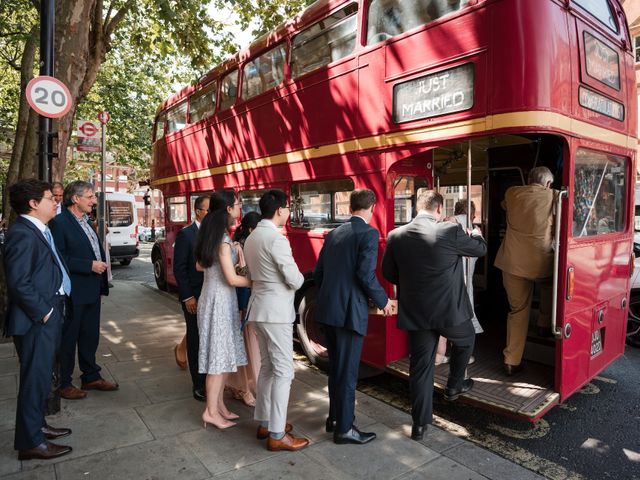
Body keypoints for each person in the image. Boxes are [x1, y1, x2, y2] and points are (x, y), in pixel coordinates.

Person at [382, 191, 486, 441]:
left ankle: (419, 425)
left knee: (421, 368)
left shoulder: (396, 235)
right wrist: (476, 233)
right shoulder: (450, 231)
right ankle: (454, 385)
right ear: (439, 209)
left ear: (418, 208)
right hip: (449, 311)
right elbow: (479, 251)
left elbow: (389, 273)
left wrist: (411, 284)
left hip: (416, 312)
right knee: (466, 339)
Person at [314, 189, 393, 445]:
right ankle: (345, 429)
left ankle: (335, 418)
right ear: (371, 207)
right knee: (348, 372)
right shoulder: (368, 233)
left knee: (336, 368)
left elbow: (320, 272)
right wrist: (383, 301)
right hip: (349, 313)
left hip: (328, 310)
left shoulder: (335, 232)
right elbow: (365, 274)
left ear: (350, 207)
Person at [4, 179, 72, 460]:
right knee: (34, 379)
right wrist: (46, 312)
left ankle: (37, 426)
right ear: (33, 204)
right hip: (36, 320)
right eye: (49, 198)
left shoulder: (39, 230)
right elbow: (19, 282)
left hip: (47, 313)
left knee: (42, 377)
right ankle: (30, 442)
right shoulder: (22, 232)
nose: (56, 201)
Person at [243, 190, 309, 452]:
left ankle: (266, 421)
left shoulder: (252, 237)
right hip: (276, 314)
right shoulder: (276, 239)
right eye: (288, 208)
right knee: (284, 371)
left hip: (258, 309)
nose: (289, 212)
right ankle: (278, 434)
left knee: (268, 368)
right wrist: (300, 279)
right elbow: (295, 279)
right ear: (280, 210)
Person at [50, 181, 117, 399]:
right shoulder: (59, 223)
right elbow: (58, 258)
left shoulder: (87, 221)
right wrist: (89, 266)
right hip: (74, 291)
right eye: (89, 197)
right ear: (75, 199)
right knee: (69, 338)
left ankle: (91, 376)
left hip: (91, 289)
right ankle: (64, 383)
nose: (94, 201)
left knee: (90, 335)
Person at [194, 191, 250, 429]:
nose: (240, 209)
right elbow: (232, 279)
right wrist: (257, 281)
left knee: (223, 356)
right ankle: (210, 411)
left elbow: (200, 266)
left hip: (211, 298)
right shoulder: (223, 242)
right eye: (238, 205)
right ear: (228, 209)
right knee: (218, 361)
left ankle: (219, 407)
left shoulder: (211, 235)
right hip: (220, 302)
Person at [494, 166, 557, 376]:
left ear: (529, 180)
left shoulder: (512, 193)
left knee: (518, 311)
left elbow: (504, 205)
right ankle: (544, 324)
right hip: (541, 262)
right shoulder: (554, 197)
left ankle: (512, 360)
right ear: (548, 184)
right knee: (549, 285)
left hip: (511, 263)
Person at [437, 199, 484, 365]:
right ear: (473, 213)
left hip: (446, 279)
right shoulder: (473, 230)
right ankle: (462, 357)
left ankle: (438, 354)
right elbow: (479, 251)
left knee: (443, 316)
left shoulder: (447, 222)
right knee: (463, 318)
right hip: (464, 279)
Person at [173, 195, 210, 401]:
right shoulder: (186, 235)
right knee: (195, 339)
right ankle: (198, 384)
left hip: (212, 295)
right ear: (198, 211)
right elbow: (179, 269)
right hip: (194, 296)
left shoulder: (215, 234)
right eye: (208, 210)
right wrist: (187, 297)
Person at [226, 211, 262, 407]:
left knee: (251, 348)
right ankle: (243, 388)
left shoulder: (251, 244)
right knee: (246, 348)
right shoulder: (239, 248)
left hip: (252, 303)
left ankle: (246, 386)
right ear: (250, 230)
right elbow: (238, 276)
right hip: (244, 305)